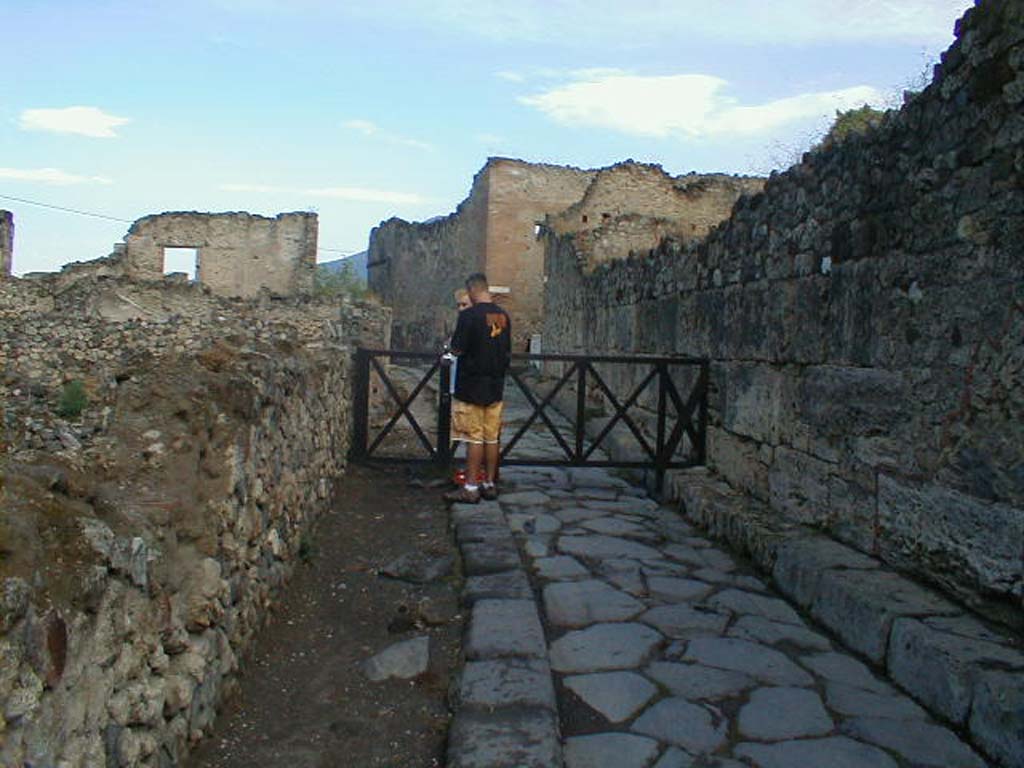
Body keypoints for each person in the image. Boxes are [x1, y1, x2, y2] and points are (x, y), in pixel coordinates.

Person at [443, 273, 511, 504]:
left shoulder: (469, 316)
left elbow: (458, 349)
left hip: (472, 384)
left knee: (474, 437)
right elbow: (505, 349)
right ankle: (489, 484)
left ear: (472, 290)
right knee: (491, 437)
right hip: (495, 385)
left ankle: (470, 487)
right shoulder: (502, 316)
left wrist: (450, 350)